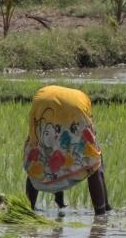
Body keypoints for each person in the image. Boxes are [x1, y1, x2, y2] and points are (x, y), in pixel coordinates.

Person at [22, 86, 110, 215]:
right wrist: (108, 206)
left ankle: (28, 208)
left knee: (40, 156)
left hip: (42, 101)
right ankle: (101, 212)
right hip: (76, 106)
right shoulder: (84, 105)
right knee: (93, 164)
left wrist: (59, 200)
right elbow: (97, 167)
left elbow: (56, 157)